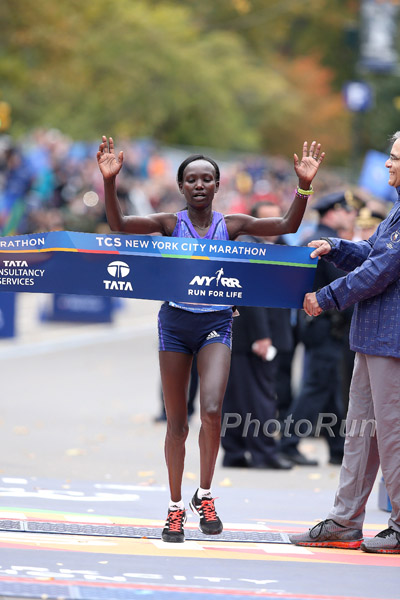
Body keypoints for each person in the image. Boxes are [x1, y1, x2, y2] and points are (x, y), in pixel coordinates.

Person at [97, 136, 325, 543]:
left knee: (214, 408)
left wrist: (303, 187)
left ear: (218, 186)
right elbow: (118, 226)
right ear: (182, 186)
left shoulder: (231, 226)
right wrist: (110, 183)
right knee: (177, 424)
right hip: (175, 325)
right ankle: (173, 508)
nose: (199, 185)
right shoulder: (170, 223)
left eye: (207, 179)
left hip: (216, 324)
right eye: (191, 179)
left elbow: (286, 226)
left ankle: (204, 495)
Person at [289, 131, 400, 554]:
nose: (388, 164)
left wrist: (326, 297)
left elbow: (381, 271)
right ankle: (345, 521)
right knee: (359, 434)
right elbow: (371, 252)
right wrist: (335, 246)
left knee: (392, 436)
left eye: (394, 158)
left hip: (393, 342)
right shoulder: (395, 211)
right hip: (372, 337)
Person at [280, 192, 356, 467]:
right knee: (315, 387)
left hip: (318, 325)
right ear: (331, 213)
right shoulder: (329, 244)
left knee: (330, 387)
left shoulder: (317, 237)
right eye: (346, 211)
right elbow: (344, 286)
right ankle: (288, 443)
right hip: (325, 325)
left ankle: (338, 448)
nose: (351, 216)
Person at [221, 201, 294, 470]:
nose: (273, 226)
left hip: (252, 335)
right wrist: (263, 336)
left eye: (277, 219)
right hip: (256, 336)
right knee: (259, 397)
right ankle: (264, 453)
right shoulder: (249, 248)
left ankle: (235, 452)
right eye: (266, 220)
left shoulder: (278, 246)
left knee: (240, 396)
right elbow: (252, 296)